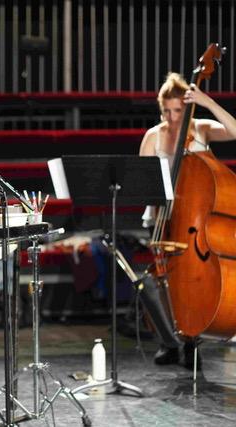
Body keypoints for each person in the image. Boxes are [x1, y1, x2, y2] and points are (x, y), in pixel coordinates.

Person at [139, 73, 236, 369]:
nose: (172, 117)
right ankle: (169, 341)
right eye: (166, 111)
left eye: (178, 110)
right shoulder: (153, 136)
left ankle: (193, 340)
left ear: (188, 108)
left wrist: (207, 102)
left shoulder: (201, 129)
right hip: (165, 219)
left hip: (197, 223)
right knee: (153, 282)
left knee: (195, 279)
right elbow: (143, 180)